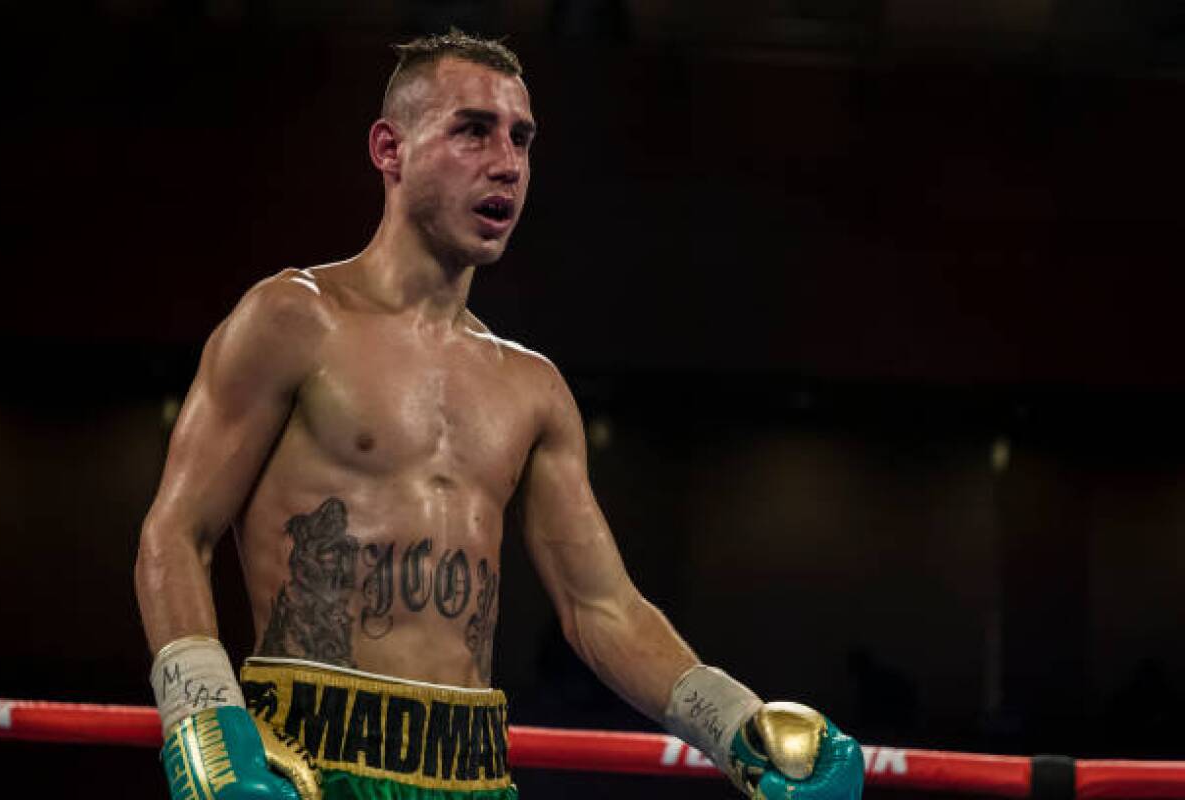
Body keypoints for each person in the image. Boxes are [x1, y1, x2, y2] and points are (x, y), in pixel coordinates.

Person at [134, 29, 864, 800]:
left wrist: (737, 726)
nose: (507, 163)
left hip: (472, 772)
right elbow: (175, 533)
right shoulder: (292, 318)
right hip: (304, 760)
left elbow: (601, 607)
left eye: (521, 138)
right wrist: (203, 727)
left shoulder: (532, 387)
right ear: (390, 148)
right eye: (472, 130)